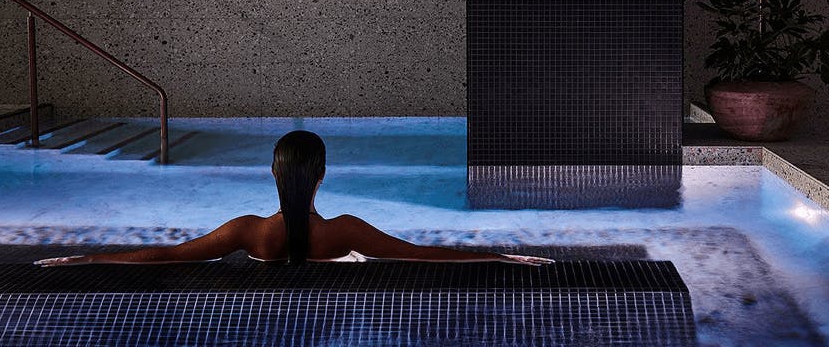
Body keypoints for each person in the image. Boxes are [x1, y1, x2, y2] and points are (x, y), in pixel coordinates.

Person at [35, 130, 551, 267]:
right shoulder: (343, 230)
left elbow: (166, 255)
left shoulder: (249, 232)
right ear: (322, 175)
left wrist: (90, 255)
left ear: (272, 174)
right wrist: (498, 253)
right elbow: (422, 254)